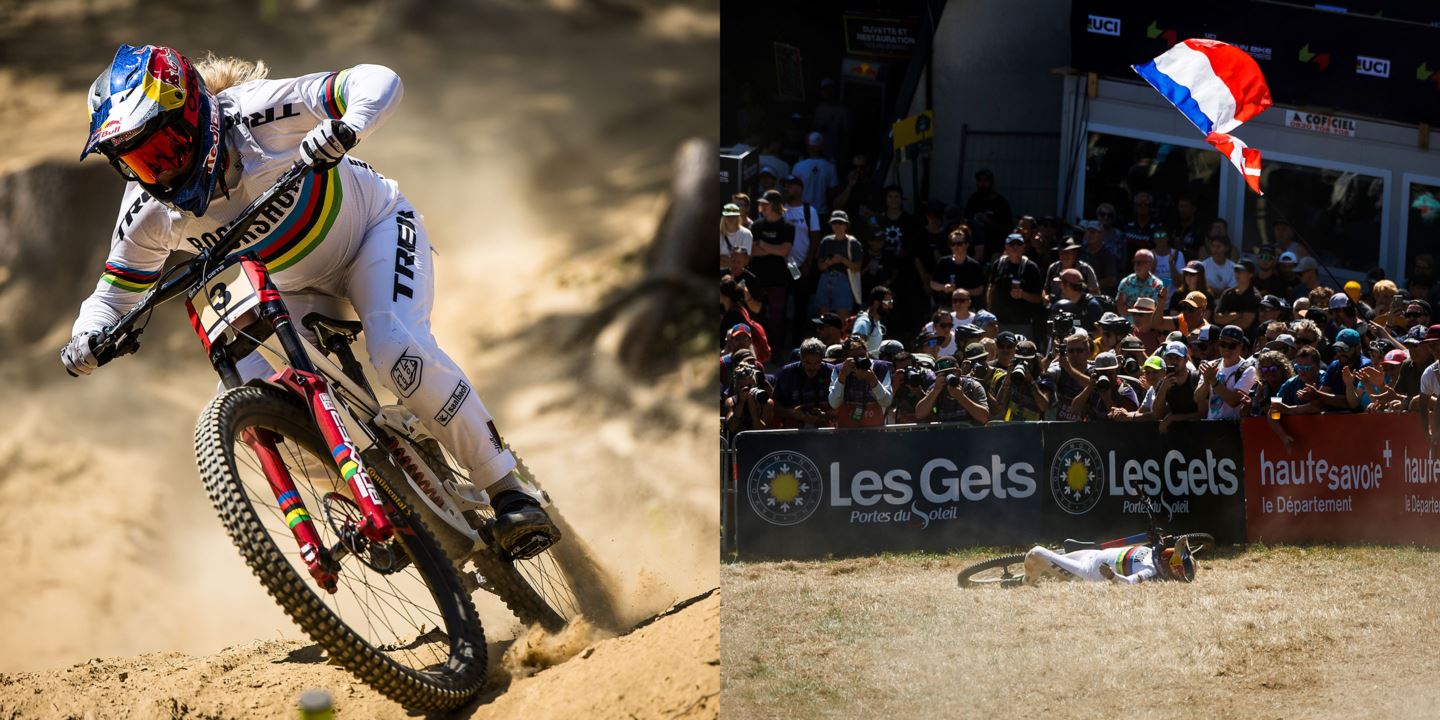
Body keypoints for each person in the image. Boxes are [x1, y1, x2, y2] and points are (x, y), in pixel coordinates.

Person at [63, 44, 555, 557]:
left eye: (163, 150)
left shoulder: (258, 114)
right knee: (266, 411)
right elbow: (113, 295)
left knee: (396, 352)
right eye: (139, 161)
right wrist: (86, 338)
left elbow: (376, 79)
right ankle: (383, 503)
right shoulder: (148, 212)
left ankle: (508, 490)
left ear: (193, 116)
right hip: (288, 291)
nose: (159, 172)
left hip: (373, 232)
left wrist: (349, 126)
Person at [1022, 539, 1195, 585]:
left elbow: (1129, 582)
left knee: (1036, 554)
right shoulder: (1153, 552)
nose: (1172, 550)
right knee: (1044, 563)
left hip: (1085, 572)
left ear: (1173, 563)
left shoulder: (1150, 570)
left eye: (1175, 553)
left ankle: (1025, 583)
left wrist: (1112, 577)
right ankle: (1029, 576)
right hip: (1092, 554)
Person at [987, 233, 1045, 338]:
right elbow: (991, 290)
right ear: (1006, 247)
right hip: (1000, 322)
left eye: (1018, 244)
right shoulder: (998, 265)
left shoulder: (1031, 268)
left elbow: (1038, 298)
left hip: (1022, 323)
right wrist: (990, 314)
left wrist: (1023, 295)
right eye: (1011, 244)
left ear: (1024, 247)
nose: (1015, 247)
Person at [828, 335, 893, 427]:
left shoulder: (880, 368)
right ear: (846, 358)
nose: (860, 360)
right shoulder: (839, 370)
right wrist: (843, 375)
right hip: (846, 432)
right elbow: (834, 403)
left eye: (862, 356)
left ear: (867, 352)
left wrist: (871, 378)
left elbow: (886, 402)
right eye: (855, 357)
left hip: (875, 432)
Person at [773, 338, 836, 429]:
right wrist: (792, 413)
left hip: (825, 428)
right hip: (794, 429)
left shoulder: (831, 372)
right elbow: (775, 406)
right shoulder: (787, 373)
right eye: (807, 363)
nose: (812, 368)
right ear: (801, 358)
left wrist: (824, 415)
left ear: (822, 359)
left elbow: (841, 406)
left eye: (817, 363)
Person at [1195, 325, 1256, 420]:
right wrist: (1206, 382)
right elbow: (1197, 398)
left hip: (1232, 428)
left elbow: (1234, 402)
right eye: (1223, 344)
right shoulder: (1212, 365)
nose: (1226, 349)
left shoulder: (1248, 370)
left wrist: (1213, 380)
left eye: (1232, 346)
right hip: (1211, 425)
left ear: (1240, 346)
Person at [812, 210, 863, 317]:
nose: (838, 226)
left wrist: (842, 260)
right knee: (824, 318)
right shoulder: (825, 241)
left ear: (846, 225)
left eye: (841, 223)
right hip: (825, 279)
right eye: (835, 223)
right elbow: (820, 266)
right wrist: (829, 262)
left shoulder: (853, 243)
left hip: (844, 281)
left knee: (843, 319)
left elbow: (857, 267)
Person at [915, 355, 990, 426]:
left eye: (950, 372)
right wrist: (935, 391)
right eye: (942, 374)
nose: (947, 376)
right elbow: (919, 414)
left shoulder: (973, 386)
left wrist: (961, 397)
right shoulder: (935, 388)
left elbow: (984, 418)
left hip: (971, 435)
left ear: (958, 371)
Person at [1150, 342, 1202, 433]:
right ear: (1165, 359)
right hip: (1175, 439)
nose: (1173, 362)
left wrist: (1173, 418)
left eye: (1178, 358)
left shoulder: (1197, 379)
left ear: (1186, 360)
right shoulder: (1163, 382)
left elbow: (1203, 414)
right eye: (1170, 358)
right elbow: (1156, 414)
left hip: (1199, 435)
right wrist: (1163, 389)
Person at [930, 225, 988, 307]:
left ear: (967, 245)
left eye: (959, 244)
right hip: (947, 307)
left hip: (967, 309)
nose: (956, 247)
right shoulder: (943, 262)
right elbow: (933, 283)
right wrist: (943, 287)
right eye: (952, 244)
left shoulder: (974, 265)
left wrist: (964, 292)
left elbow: (980, 290)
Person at [995, 339, 1051, 421]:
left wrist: (1031, 382)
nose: (1023, 364)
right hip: (1012, 428)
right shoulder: (1011, 377)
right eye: (1019, 360)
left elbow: (1044, 407)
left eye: (1027, 361)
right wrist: (1008, 377)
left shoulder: (1044, 378)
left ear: (1034, 361)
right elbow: (999, 404)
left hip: (1035, 429)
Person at [792, 131, 839, 214]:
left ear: (807, 146)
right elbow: (833, 193)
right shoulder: (830, 167)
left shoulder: (798, 166)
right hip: (822, 212)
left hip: (802, 211)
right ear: (822, 147)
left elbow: (793, 191)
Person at [1214, 260, 1262, 335]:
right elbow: (1216, 318)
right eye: (1236, 270)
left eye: (1242, 270)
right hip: (1223, 338)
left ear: (1250, 274)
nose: (1237, 273)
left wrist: (1226, 318)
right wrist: (1238, 315)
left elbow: (1245, 323)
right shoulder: (1227, 293)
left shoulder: (1255, 297)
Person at [1115, 249, 1165, 314]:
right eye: (1135, 262)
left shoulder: (1157, 285)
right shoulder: (1126, 282)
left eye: (1140, 262)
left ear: (1150, 264)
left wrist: (1131, 310)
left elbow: (1155, 310)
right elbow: (1120, 307)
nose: (1136, 265)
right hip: (1127, 323)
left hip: (1148, 323)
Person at [1078, 220, 1120, 295]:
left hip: (1100, 294)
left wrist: (1090, 285)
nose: (1090, 234)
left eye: (1094, 232)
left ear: (1101, 235)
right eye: (1089, 231)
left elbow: (1111, 280)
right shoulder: (1081, 250)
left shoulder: (1108, 254)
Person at [852, 285, 893, 354]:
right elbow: (856, 347)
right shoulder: (864, 322)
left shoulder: (876, 322)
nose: (890, 306)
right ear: (876, 303)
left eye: (891, 302)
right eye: (887, 302)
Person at [720, 202, 752, 276]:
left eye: (733, 216)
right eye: (728, 216)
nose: (730, 218)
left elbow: (745, 261)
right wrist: (735, 260)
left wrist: (724, 259)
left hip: (739, 276)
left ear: (738, 217)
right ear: (723, 217)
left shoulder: (746, 234)